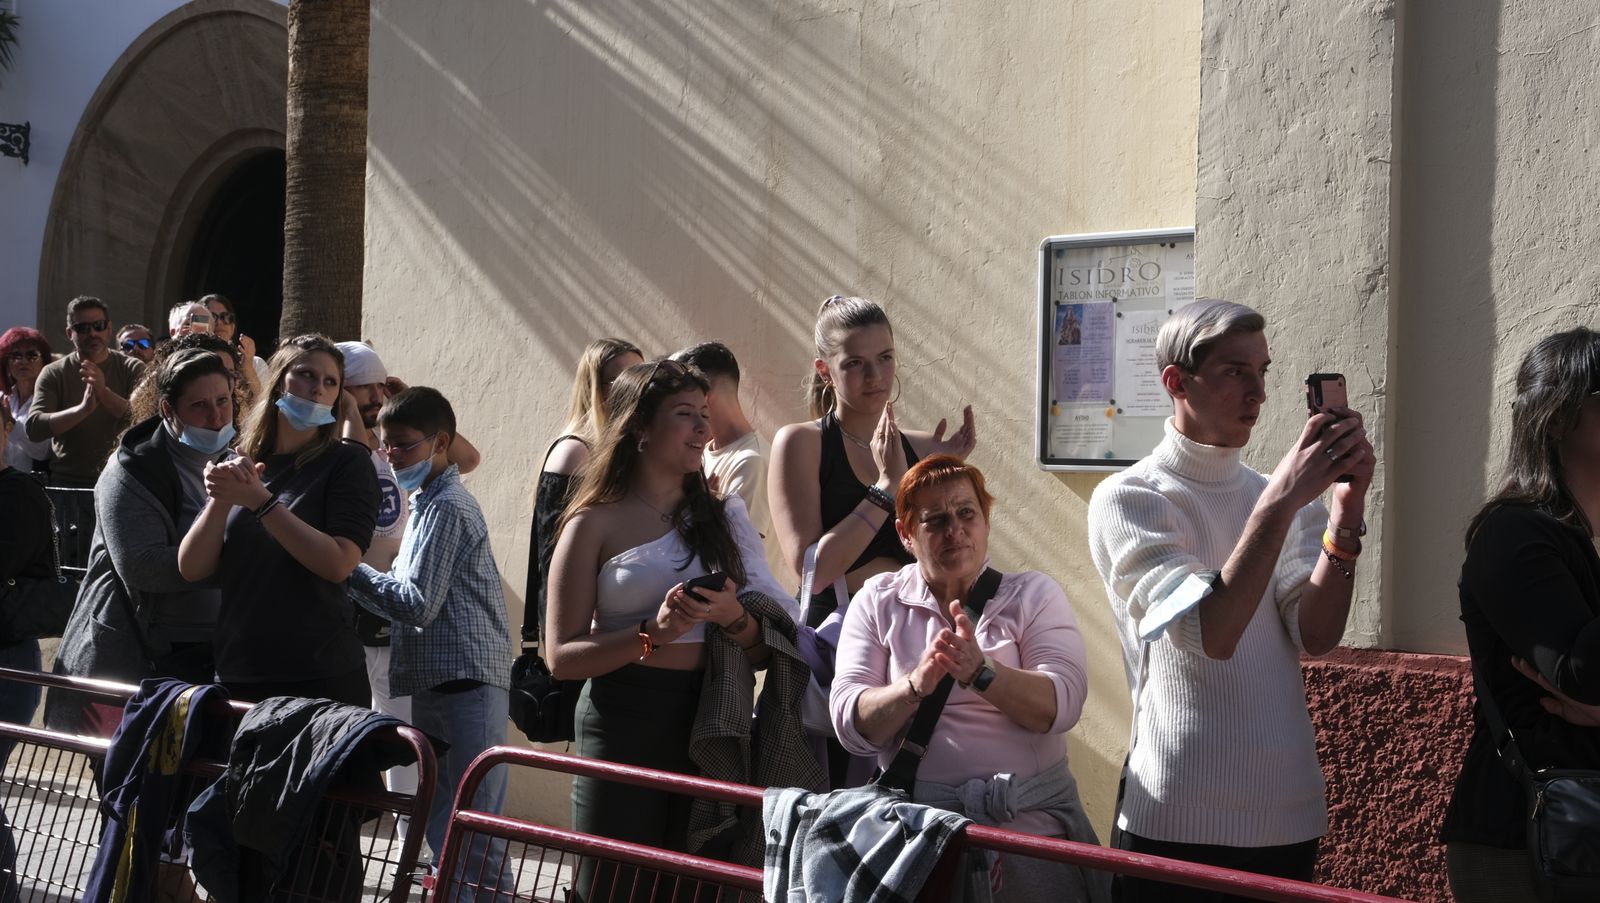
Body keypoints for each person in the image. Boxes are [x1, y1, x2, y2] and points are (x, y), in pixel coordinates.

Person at [1087, 299, 1375, 898]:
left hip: (1287, 811)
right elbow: (1212, 634)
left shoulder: (1281, 498)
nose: (1259, 393)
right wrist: (1279, 503)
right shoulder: (1131, 497)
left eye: (1262, 371)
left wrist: (1346, 516)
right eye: (1235, 372)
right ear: (1176, 382)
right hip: (1176, 812)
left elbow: (1317, 636)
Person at [545, 359, 792, 898]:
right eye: (685, 414)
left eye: (704, 412)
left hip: (710, 719)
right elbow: (560, 657)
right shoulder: (592, 521)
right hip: (622, 720)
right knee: (613, 885)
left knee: (697, 885)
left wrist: (734, 618)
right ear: (639, 426)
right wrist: (650, 633)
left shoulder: (723, 516)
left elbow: (762, 651)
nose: (704, 427)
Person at [830, 455, 1107, 903]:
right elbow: (851, 724)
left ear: (986, 521)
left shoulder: (1032, 594)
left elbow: (1063, 705)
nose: (955, 531)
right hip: (919, 839)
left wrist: (982, 673)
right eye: (936, 520)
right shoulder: (878, 601)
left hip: (1028, 833)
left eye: (966, 514)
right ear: (905, 534)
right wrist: (915, 686)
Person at [1442, 327, 1600, 900]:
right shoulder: (1514, 534)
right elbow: (1583, 675)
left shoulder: (1581, 541)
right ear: (1555, 420)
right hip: (1524, 836)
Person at [348, 387, 514, 896]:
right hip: (439, 684)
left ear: (440, 443)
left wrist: (346, 567)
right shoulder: (424, 503)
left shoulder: (448, 506)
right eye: (386, 445)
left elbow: (416, 603)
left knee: (474, 833)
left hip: (467, 685)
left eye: (404, 444)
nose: (392, 456)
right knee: (448, 828)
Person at [178, 335, 379, 706]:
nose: (318, 389)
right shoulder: (241, 458)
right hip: (240, 672)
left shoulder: (347, 463)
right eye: (306, 374)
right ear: (278, 381)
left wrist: (260, 501)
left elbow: (339, 563)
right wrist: (221, 498)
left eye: (331, 381)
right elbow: (192, 568)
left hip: (320, 676)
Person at [51, 348, 238, 737]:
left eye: (223, 401)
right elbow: (144, 566)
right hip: (140, 659)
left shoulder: (238, 459)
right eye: (200, 406)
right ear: (168, 409)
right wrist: (244, 568)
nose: (217, 417)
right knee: (133, 770)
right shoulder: (129, 472)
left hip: (217, 654)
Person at [334, 340, 480, 821]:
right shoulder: (348, 441)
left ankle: (409, 841)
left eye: (381, 385)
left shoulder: (406, 447)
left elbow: (466, 458)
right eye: (363, 387)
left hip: (392, 606)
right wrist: (350, 411)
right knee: (358, 726)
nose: (375, 396)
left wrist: (408, 398)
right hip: (354, 605)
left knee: (403, 734)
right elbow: (353, 459)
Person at [769, 295, 976, 629]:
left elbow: (948, 556)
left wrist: (947, 479)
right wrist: (886, 489)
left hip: (913, 630)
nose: (874, 375)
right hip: (838, 635)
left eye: (885, 358)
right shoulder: (801, 443)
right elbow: (813, 574)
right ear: (824, 370)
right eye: (855, 363)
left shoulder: (923, 447)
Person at [525, 338, 642, 651]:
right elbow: (556, 557)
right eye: (623, 380)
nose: (638, 389)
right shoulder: (575, 452)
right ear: (595, 388)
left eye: (641, 377)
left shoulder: (617, 449)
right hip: (581, 634)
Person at [670, 341, 776, 563]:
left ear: (703, 395)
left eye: (677, 397)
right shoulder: (703, 451)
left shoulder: (751, 462)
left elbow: (736, 559)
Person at [24, 296, 146, 487]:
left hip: (122, 481)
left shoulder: (132, 368)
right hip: (68, 483)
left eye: (99, 325)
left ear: (109, 328)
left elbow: (144, 421)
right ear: (69, 333)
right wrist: (81, 411)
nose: (92, 333)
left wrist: (103, 392)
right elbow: (34, 428)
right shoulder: (54, 372)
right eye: (82, 328)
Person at [1, 326, 54, 474]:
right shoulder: (3, 398)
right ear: (6, 363)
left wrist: (11, 423)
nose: (23, 361)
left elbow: (43, 452)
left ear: (43, 361)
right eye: (16, 355)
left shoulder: (51, 399)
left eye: (32, 355)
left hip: (31, 484)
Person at [200, 293, 268, 396]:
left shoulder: (256, 364)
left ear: (232, 327)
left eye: (225, 317)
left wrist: (248, 369)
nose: (220, 323)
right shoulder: (192, 363)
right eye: (212, 317)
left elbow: (266, 403)